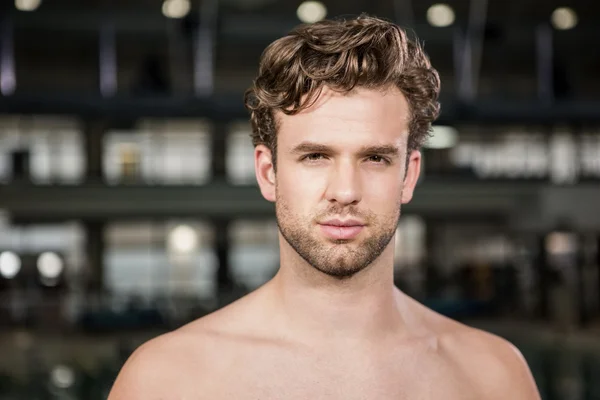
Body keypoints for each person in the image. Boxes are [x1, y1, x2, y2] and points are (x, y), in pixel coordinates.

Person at [108, 15, 541, 399]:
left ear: (408, 175)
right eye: (315, 156)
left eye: (375, 158)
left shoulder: (493, 377)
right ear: (268, 172)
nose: (345, 191)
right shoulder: (167, 381)